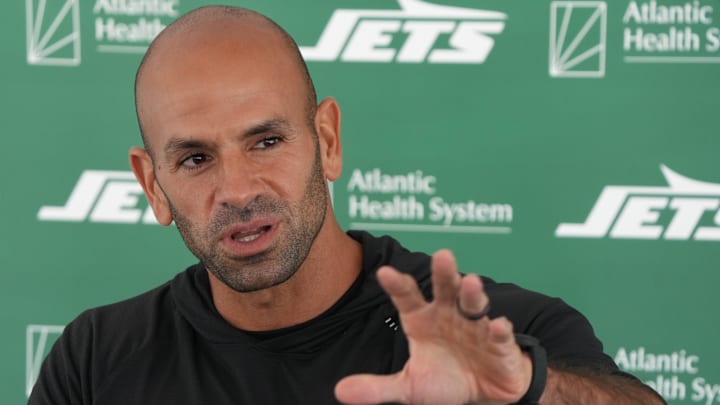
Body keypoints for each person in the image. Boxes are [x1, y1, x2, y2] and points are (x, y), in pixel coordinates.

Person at [29, 6, 666, 405]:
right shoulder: (96, 358)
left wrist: (528, 389)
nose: (239, 189)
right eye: (195, 159)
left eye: (267, 141)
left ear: (327, 142)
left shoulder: (498, 333)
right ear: (152, 184)